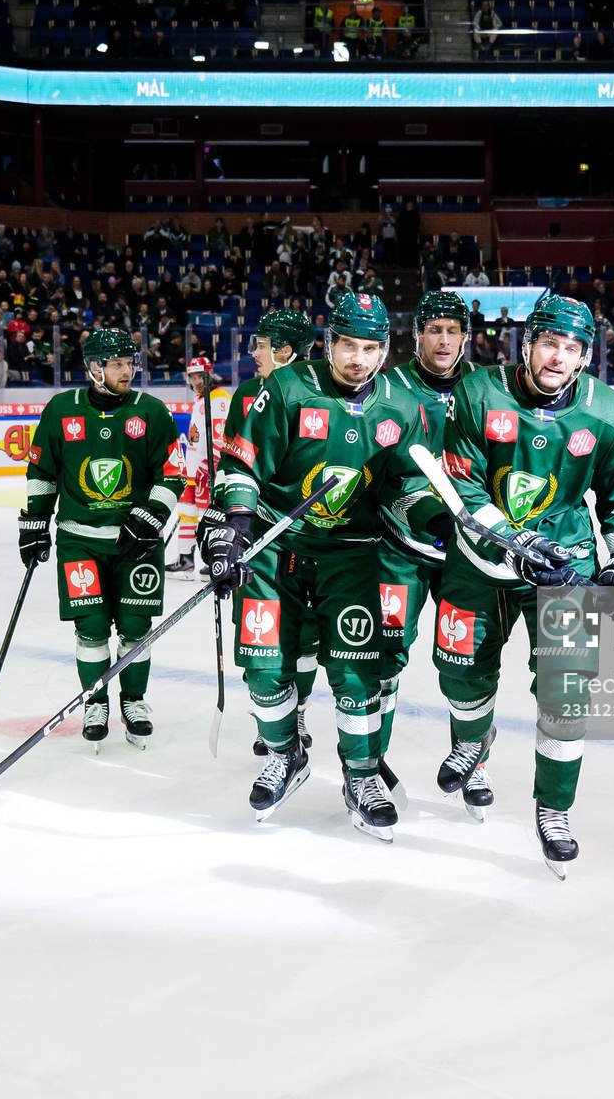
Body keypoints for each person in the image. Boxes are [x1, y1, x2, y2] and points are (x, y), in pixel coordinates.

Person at [425, 293, 614, 876]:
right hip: (480, 559)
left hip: (566, 561)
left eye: (572, 348)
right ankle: (472, 742)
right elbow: (463, 487)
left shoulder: (606, 411)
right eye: (550, 342)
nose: (559, 357)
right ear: (527, 344)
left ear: (585, 356)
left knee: (566, 692)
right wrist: (517, 543)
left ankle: (554, 808)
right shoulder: (478, 393)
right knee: (462, 671)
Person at [203, 293, 437, 838]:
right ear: (330, 343)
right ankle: (286, 755)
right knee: (264, 667)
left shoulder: (402, 408)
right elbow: (243, 463)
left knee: (357, 671)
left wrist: (435, 520)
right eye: (349, 345)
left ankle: (362, 773)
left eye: (371, 348)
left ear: (385, 349)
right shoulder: (288, 388)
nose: (359, 359)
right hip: (274, 546)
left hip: (352, 555)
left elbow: (408, 486)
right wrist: (234, 524)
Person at [18, 328, 185, 748]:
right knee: (91, 628)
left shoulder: (152, 412)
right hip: (80, 541)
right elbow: (42, 471)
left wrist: (151, 514)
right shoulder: (61, 410)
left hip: (137, 541)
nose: (127, 371)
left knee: (135, 626)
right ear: (94, 368)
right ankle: (96, 702)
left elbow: (172, 473)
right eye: (117, 364)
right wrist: (35, 521)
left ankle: (134, 700)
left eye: (130, 363)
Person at [374, 291, 476, 807]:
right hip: (402, 550)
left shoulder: (485, 388)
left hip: (468, 556)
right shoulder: (389, 388)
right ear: (417, 335)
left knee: (468, 660)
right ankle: (370, 759)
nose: (443, 340)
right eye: (434, 329)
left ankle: (472, 755)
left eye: (452, 330)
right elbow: (383, 471)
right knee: (383, 656)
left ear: (465, 337)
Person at [227, 309, 323, 756]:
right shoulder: (247, 394)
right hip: (260, 538)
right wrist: (225, 520)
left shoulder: (322, 393)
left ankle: (296, 711)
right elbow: (234, 465)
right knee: (260, 635)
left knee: (305, 638)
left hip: (312, 538)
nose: (254, 353)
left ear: (285, 351)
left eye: (262, 345)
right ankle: (272, 717)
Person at [166, 355, 231, 576]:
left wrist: (214, 466)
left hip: (207, 470)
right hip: (192, 471)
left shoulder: (219, 400)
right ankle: (185, 559)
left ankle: (213, 560)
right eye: (192, 377)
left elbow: (220, 438)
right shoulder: (201, 399)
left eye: (200, 376)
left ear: (209, 375)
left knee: (207, 516)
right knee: (187, 512)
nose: (196, 382)